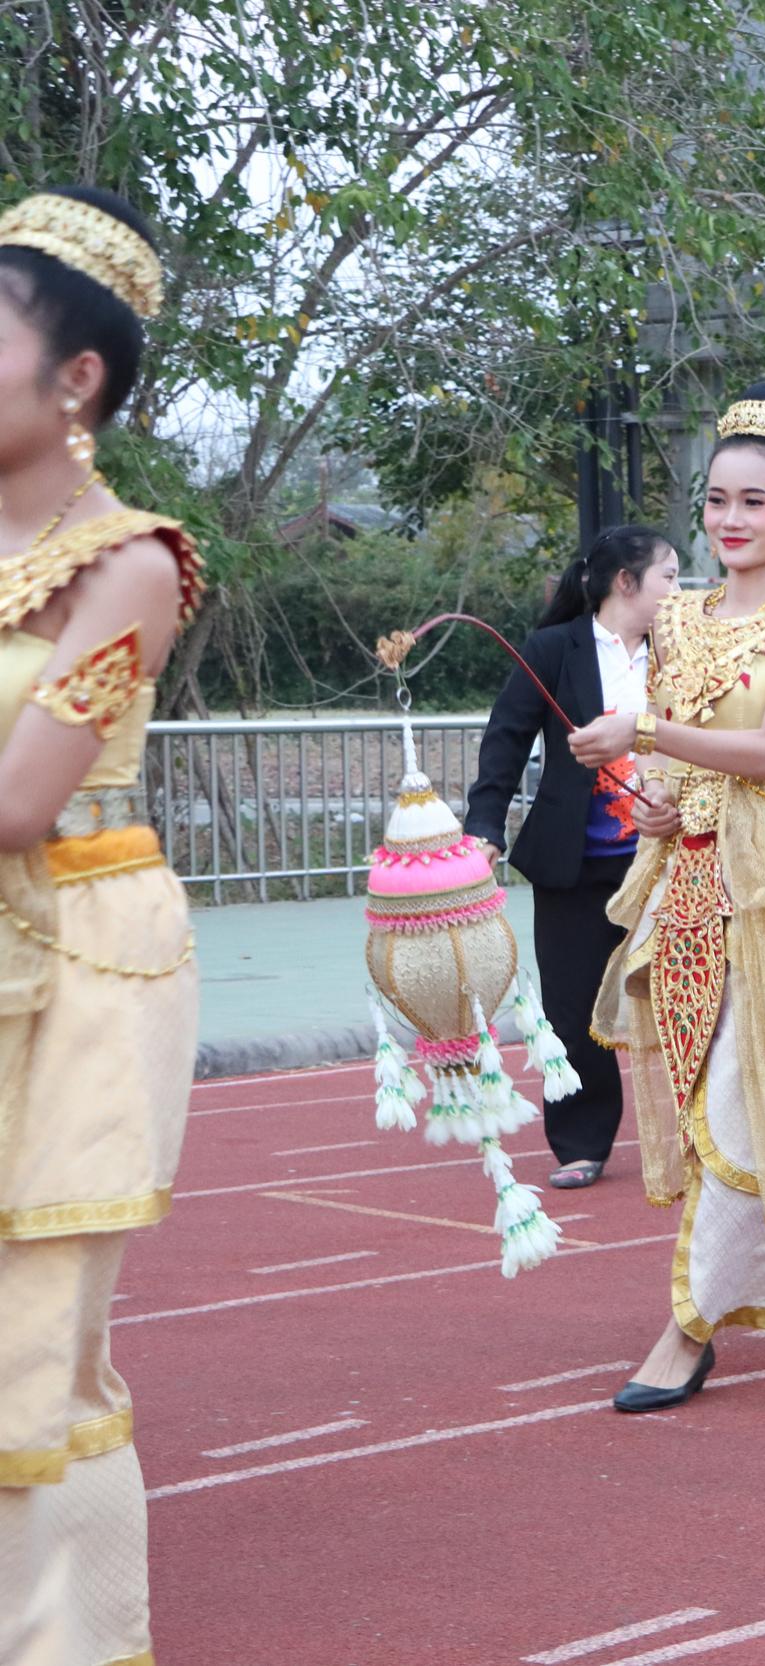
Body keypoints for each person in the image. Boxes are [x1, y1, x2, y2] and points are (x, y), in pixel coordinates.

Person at [572, 384, 765, 1410]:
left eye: (754, 500)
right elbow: (673, 747)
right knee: (711, 1088)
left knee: (752, 1095)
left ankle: (689, 1323)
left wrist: (649, 741)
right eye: (716, 500)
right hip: (684, 877)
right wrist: (653, 799)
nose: (731, 519)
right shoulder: (679, 615)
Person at [0, 185, 201, 1666]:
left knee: (32, 1341)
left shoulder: (131, 558)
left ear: (78, 381)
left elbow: (21, 801)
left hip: (77, 955)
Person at [463, 525, 681, 1189]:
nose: (680, 591)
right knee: (573, 1009)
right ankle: (581, 1142)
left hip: (664, 858)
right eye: (670, 577)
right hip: (573, 864)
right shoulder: (553, 649)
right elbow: (505, 740)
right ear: (627, 583)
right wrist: (484, 828)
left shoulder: (683, 655)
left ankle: (705, 1137)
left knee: (684, 998)